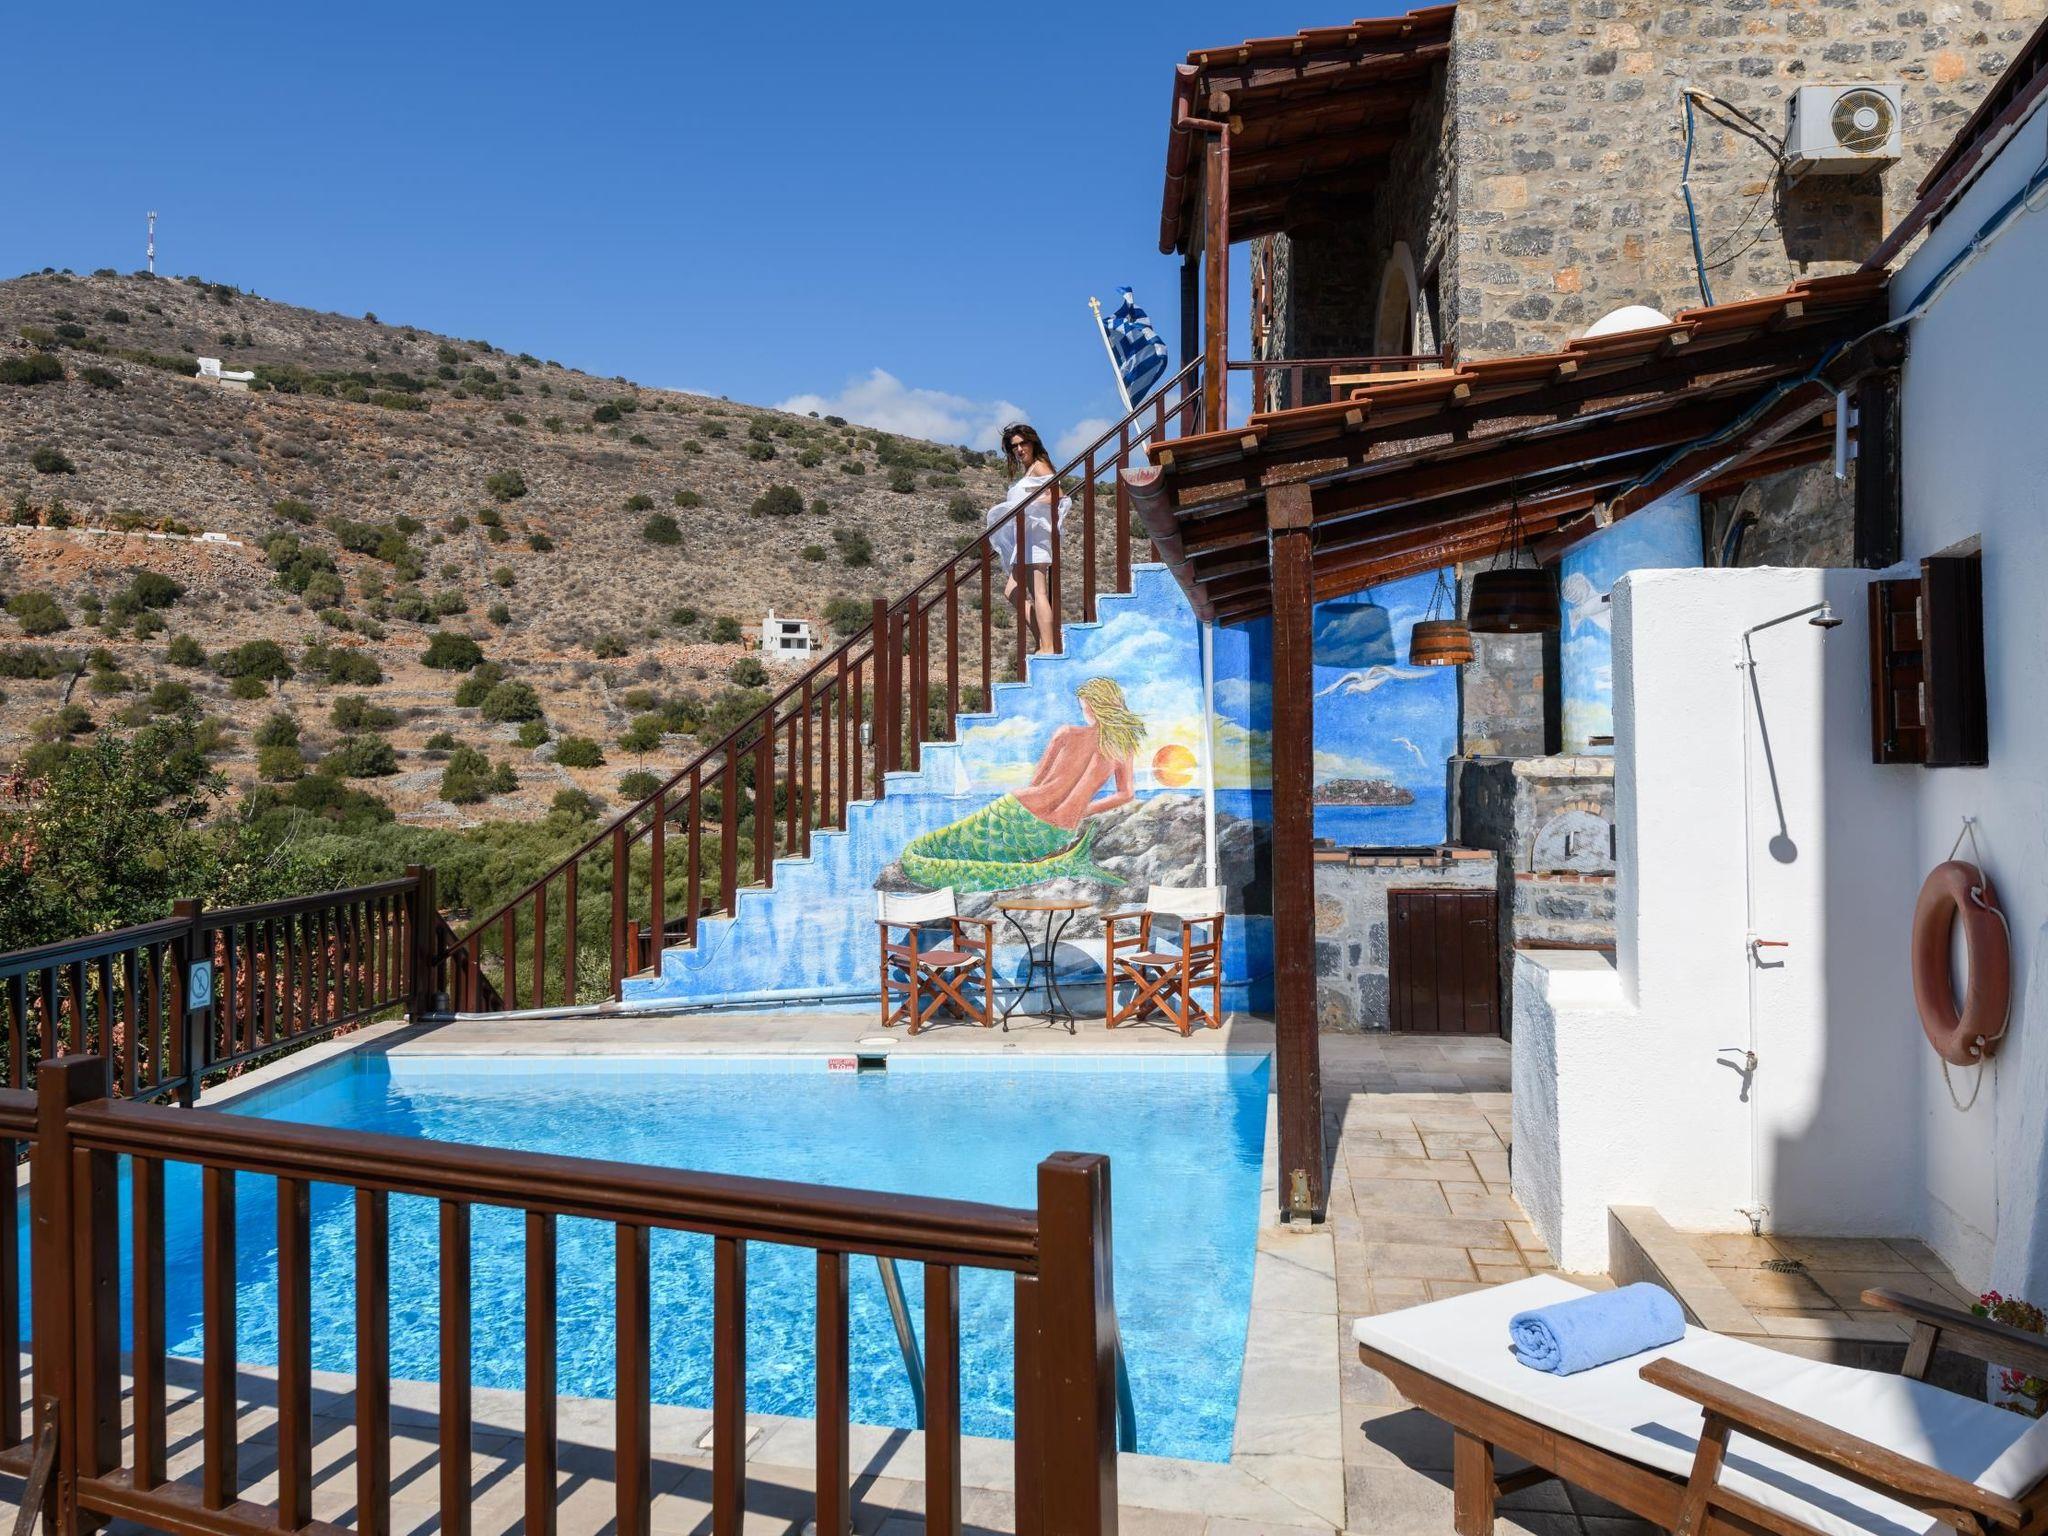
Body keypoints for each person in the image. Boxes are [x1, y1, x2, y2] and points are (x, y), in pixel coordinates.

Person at [897, 677, 1146, 892]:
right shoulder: (1122, 749)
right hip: (1058, 832)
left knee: (936, 847)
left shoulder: (1066, 734)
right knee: (995, 862)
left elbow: (1036, 783)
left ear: (1092, 707)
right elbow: (1126, 794)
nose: (1084, 712)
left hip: (1018, 809)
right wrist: (1083, 810)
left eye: (1084, 707)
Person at [987, 423, 1069, 654]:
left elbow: (1059, 496)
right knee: (1011, 591)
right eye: (1015, 446)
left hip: (1035, 538)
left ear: (1033, 443)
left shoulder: (1040, 465)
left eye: (1023, 443)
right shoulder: (1029, 470)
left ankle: (1049, 646)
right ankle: (1043, 639)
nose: (1020, 449)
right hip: (1025, 539)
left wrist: (1028, 505)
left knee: (1038, 591)